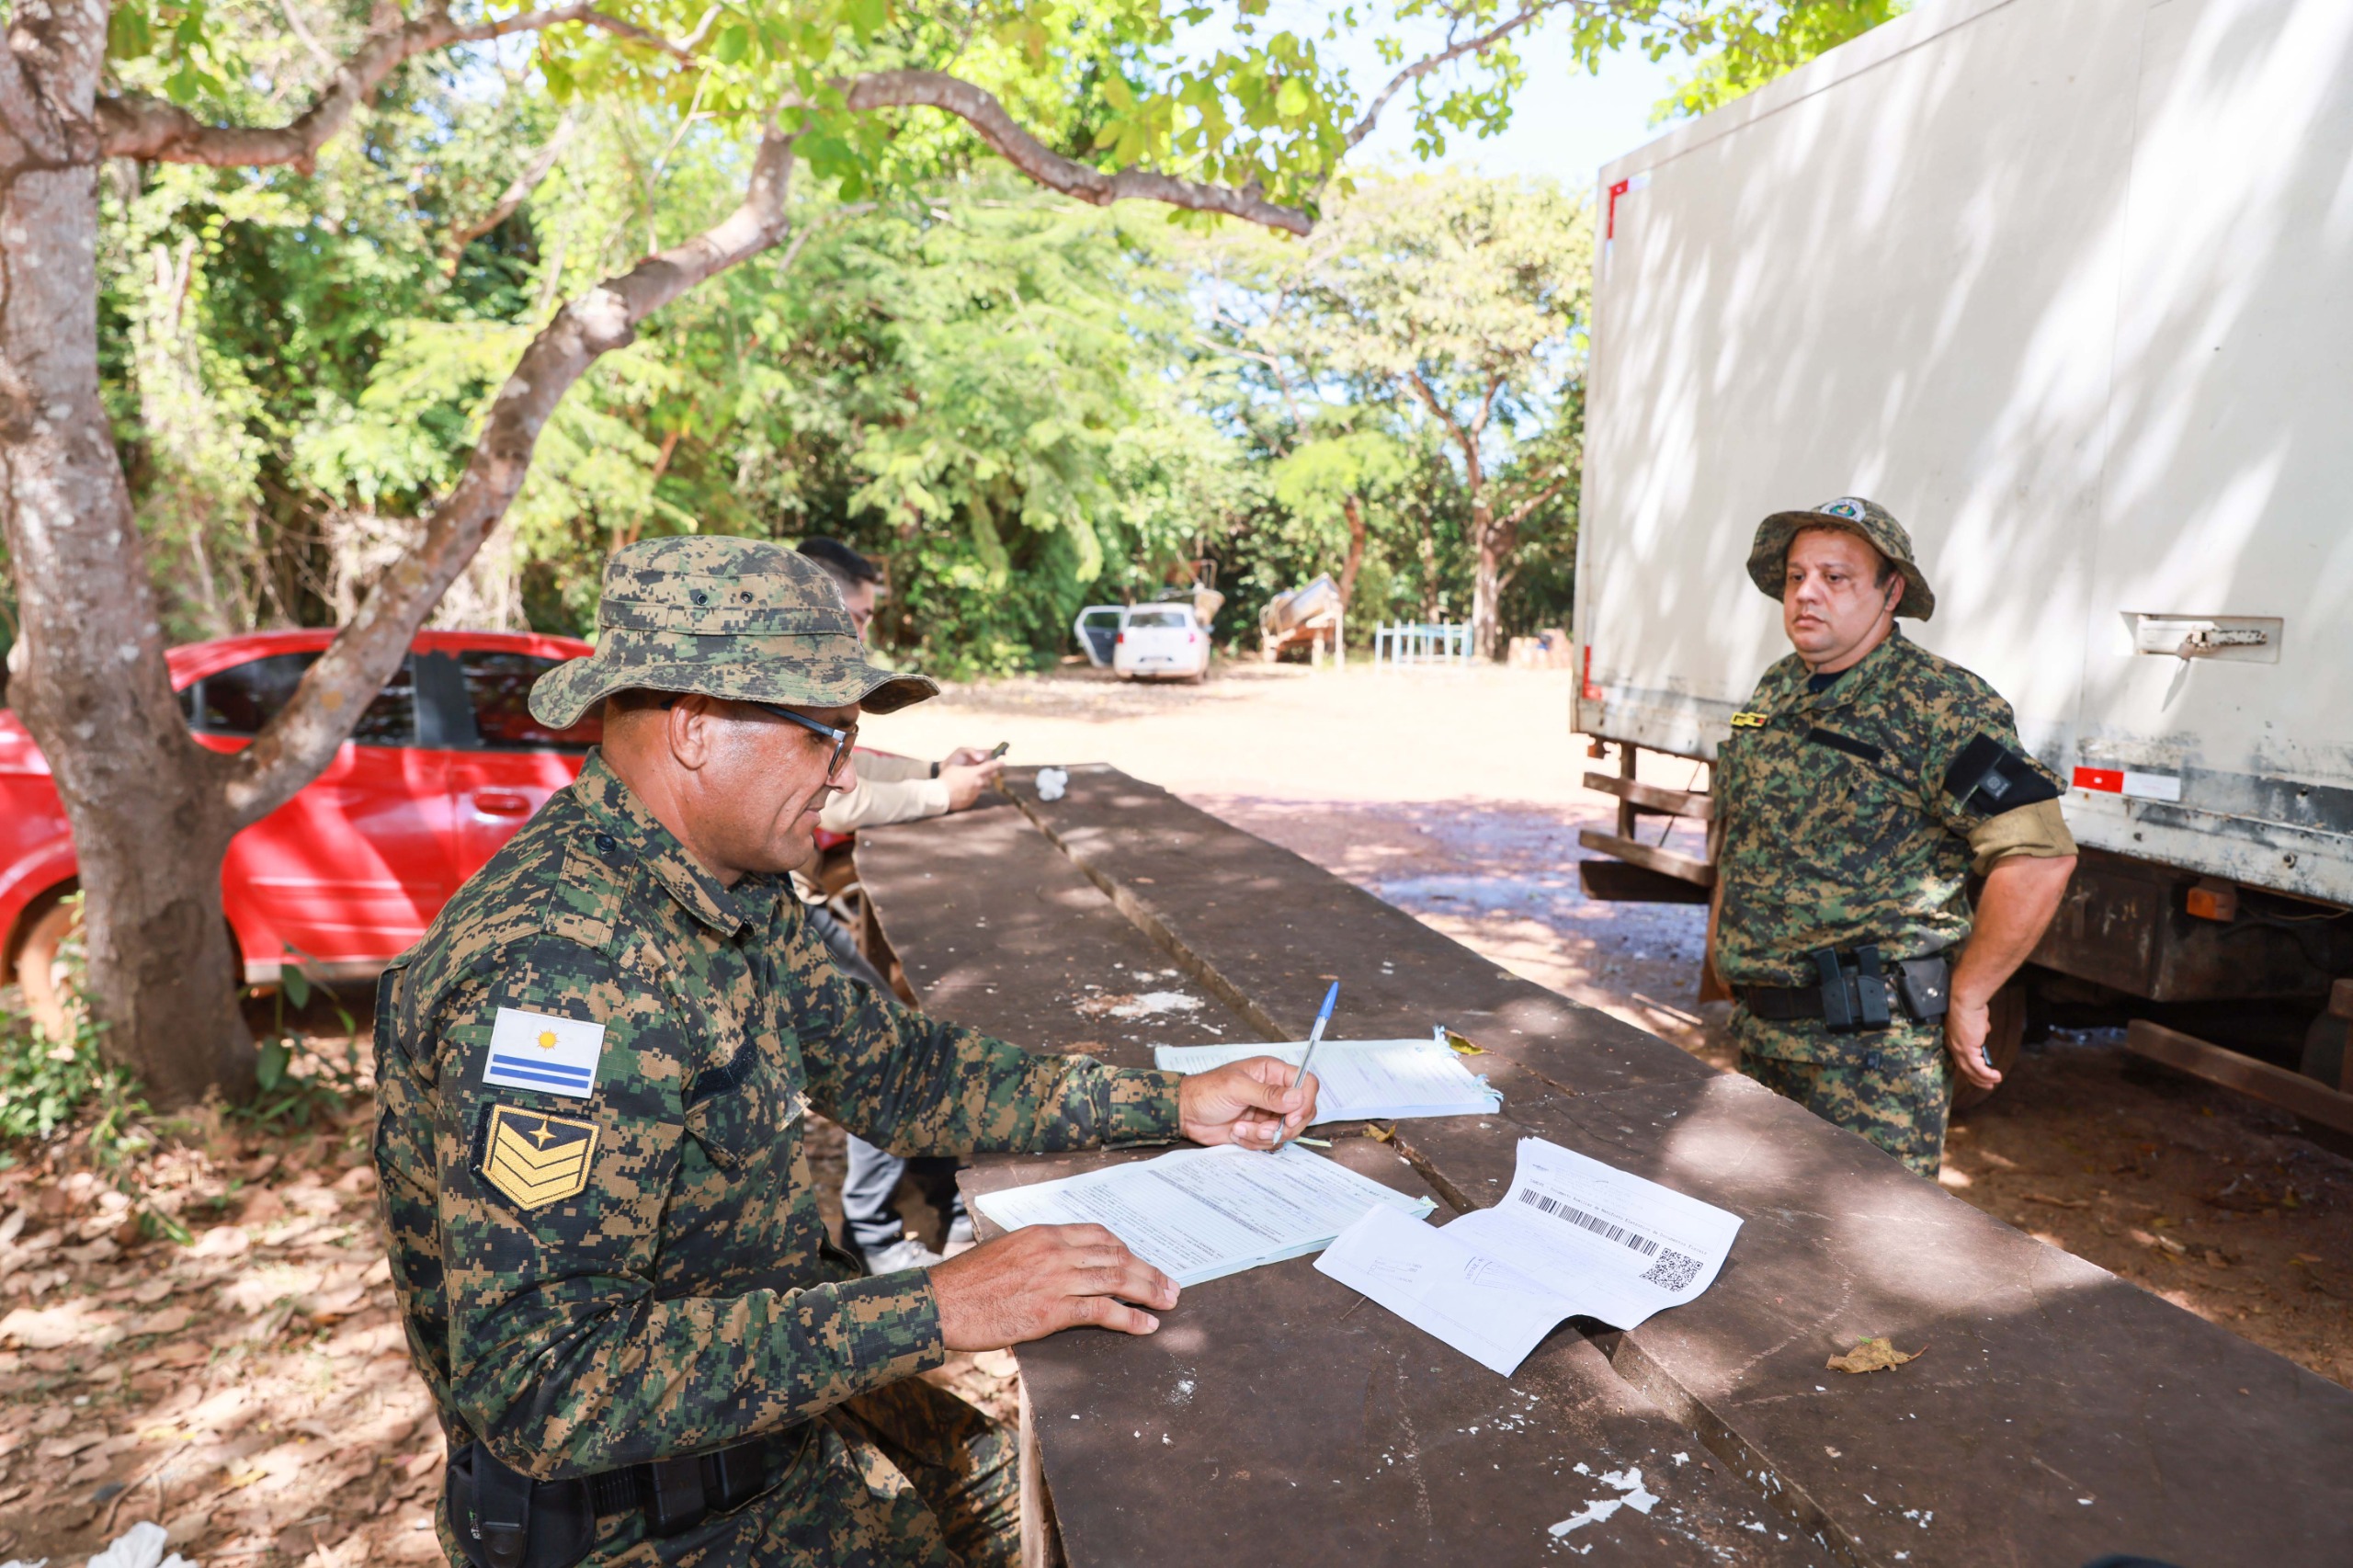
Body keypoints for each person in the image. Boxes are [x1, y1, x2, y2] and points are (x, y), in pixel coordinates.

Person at [373, 537, 1317, 1568]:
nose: (844, 773)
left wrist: (1171, 1099)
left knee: (1090, 1511)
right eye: (828, 736)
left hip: (769, 1423)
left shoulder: (721, 885)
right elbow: (542, 1382)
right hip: (644, 1526)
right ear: (695, 729)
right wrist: (938, 1304)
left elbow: (903, 1074)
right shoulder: (559, 973)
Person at [1711, 497, 2078, 1176]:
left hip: (1871, 1059)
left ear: (1891, 592)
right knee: (1761, 1249)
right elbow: (1747, 832)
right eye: (1795, 577)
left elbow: (2039, 855)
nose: (1807, 594)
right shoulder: (1778, 690)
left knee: (1862, 1260)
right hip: (1763, 1036)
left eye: (1836, 577)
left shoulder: (1939, 704)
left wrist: (1970, 995)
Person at [793, 536, 1001, 1272]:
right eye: (858, 616)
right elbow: (841, 796)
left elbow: (845, 767)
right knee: (883, 1048)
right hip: (766, 902)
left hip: (777, 898)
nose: (864, 634)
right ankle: (879, 1234)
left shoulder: (803, 693)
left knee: (891, 1036)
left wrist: (937, 769)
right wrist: (942, 793)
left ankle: (933, 1200)